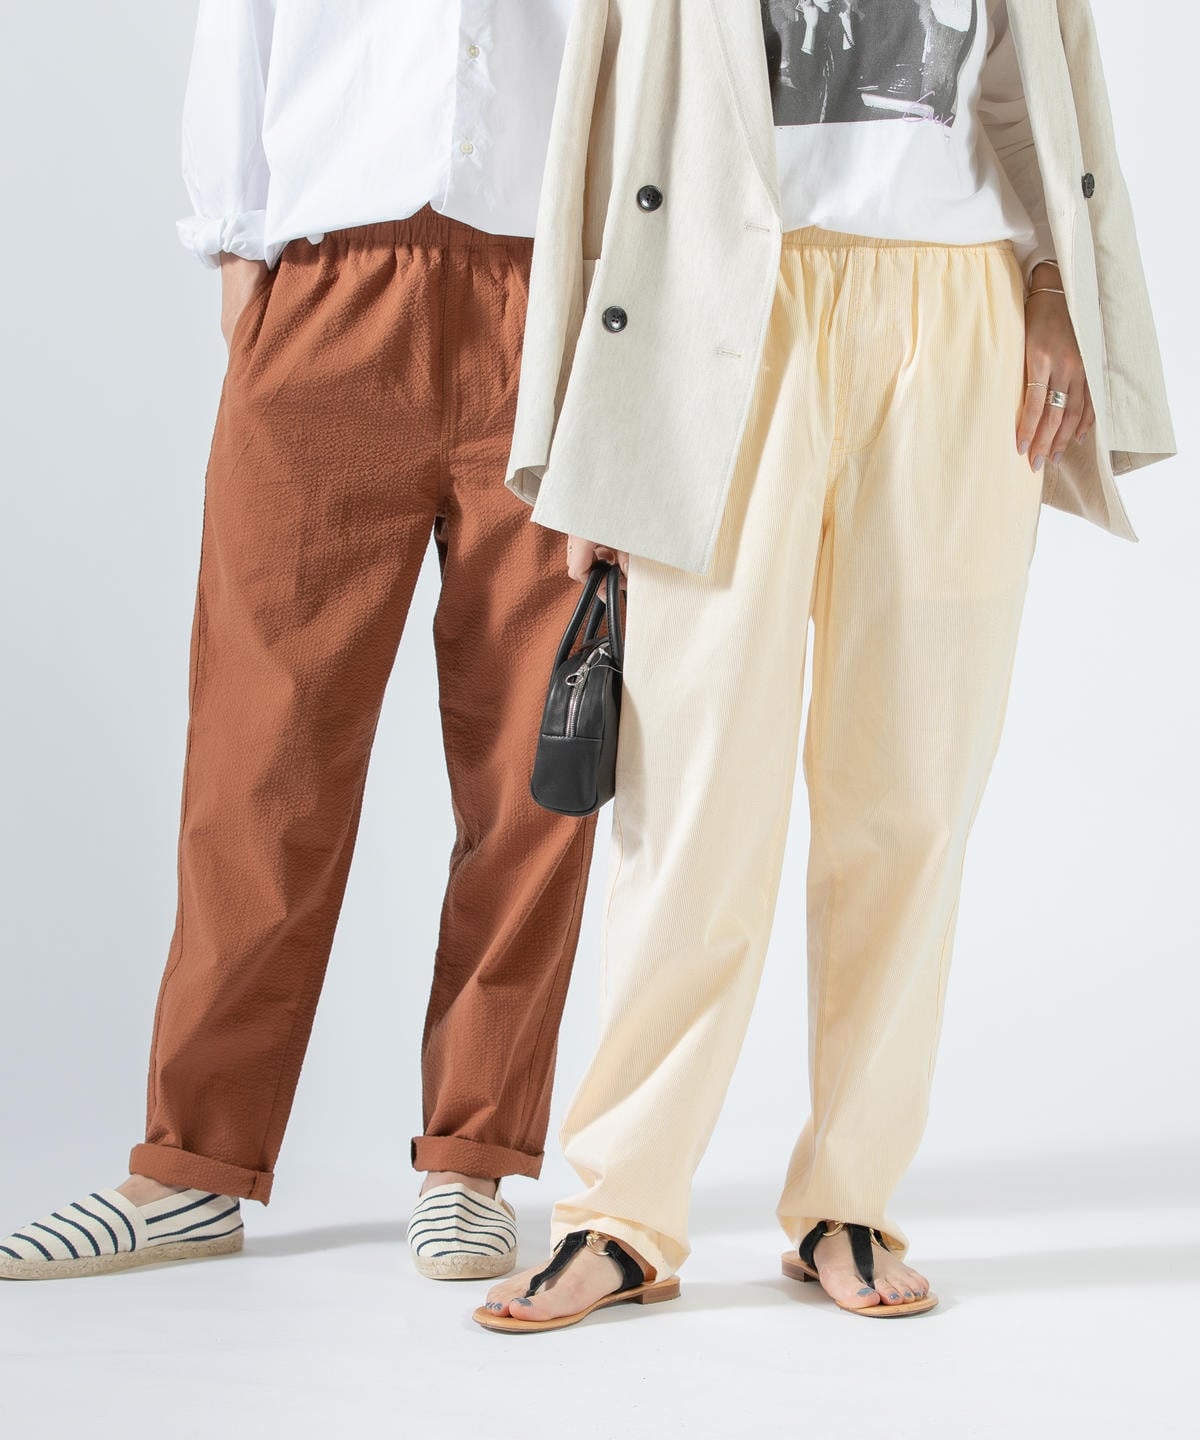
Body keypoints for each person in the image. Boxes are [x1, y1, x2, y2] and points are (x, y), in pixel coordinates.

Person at [475, 0, 1175, 1332]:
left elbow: (1056, 93)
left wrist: (1056, 297)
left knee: (913, 799)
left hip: (963, 321)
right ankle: (621, 1209)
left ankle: (851, 1197)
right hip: (721, 325)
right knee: (692, 803)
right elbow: (600, 132)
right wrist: (577, 431)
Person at [0, 0, 596, 1284]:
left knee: (535, 765)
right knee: (259, 754)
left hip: (554, 296)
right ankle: (190, 1167)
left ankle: (473, 1159)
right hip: (327, 281)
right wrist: (237, 244)